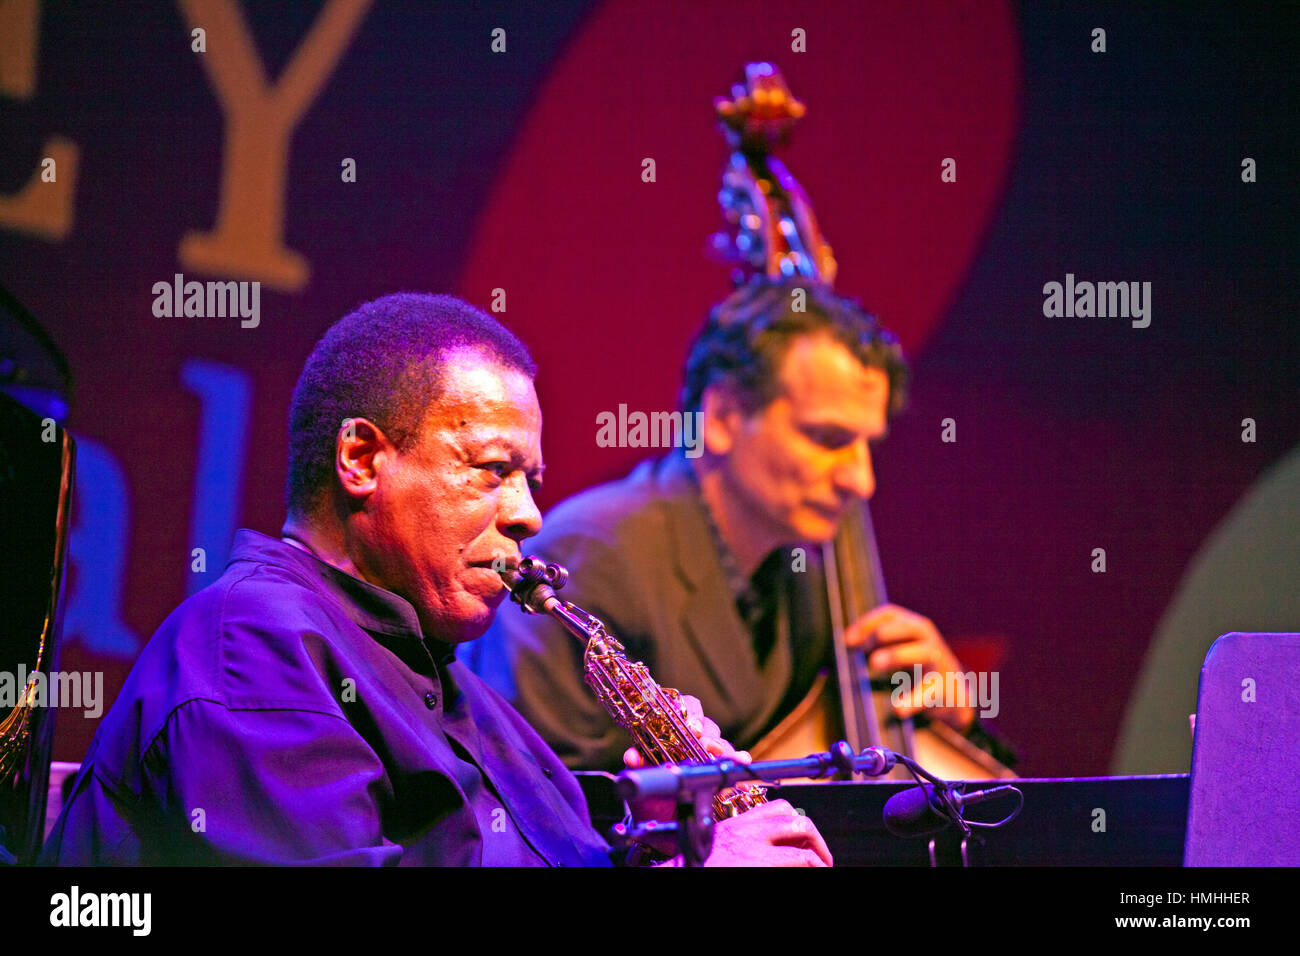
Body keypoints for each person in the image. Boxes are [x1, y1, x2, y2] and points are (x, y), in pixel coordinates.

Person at [40, 293, 831, 866]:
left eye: (532, 480)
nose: (526, 515)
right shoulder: (251, 641)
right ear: (361, 460)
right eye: (492, 471)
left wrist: (669, 839)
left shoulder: (459, 692)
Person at [468, 278, 999, 772]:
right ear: (720, 418)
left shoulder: (804, 584)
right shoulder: (592, 553)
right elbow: (542, 801)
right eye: (828, 439)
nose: (862, 481)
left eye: (869, 445)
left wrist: (952, 727)